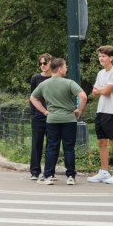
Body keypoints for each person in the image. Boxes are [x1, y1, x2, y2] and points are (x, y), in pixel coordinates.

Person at [30, 57, 86, 186]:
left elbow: (33, 98)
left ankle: (48, 175)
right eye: (65, 67)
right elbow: (83, 96)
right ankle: (70, 176)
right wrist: (79, 110)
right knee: (69, 148)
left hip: (52, 119)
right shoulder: (69, 83)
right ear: (60, 69)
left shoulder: (44, 84)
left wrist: (44, 111)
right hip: (69, 119)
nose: (66, 69)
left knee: (52, 147)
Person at [88, 45, 113, 184]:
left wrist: (101, 90)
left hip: (112, 111)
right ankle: (104, 172)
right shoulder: (100, 73)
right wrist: (100, 90)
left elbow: (105, 91)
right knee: (101, 141)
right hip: (101, 110)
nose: (101, 58)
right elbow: (94, 91)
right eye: (99, 56)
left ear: (111, 57)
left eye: (104, 56)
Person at [27, 53, 53, 180]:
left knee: (51, 144)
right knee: (36, 143)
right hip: (38, 116)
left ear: (51, 63)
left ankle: (49, 171)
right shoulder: (36, 78)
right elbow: (32, 97)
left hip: (53, 116)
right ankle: (35, 171)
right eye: (40, 63)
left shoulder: (55, 78)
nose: (42, 65)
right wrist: (33, 114)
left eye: (45, 63)